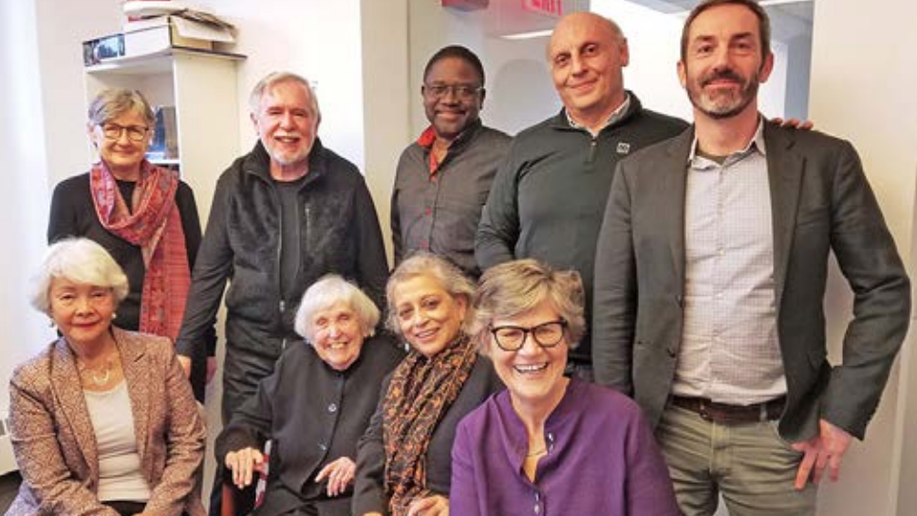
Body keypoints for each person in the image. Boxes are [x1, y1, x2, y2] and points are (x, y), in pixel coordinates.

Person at [591, 1, 911, 515]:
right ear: (683, 71)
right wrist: (617, 418)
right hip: (663, 430)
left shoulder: (822, 162)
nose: (721, 61)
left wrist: (844, 411)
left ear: (765, 64)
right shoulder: (640, 175)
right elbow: (611, 303)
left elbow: (886, 290)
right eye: (705, 47)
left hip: (779, 436)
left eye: (741, 44)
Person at [475, 12, 688, 380]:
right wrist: (524, 297)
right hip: (539, 353)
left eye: (590, 51)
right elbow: (491, 234)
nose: (577, 68)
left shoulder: (674, 139)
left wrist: (781, 139)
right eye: (563, 59)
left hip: (635, 360)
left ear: (622, 53)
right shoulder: (528, 144)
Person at [174, 71, 389, 426]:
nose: (287, 125)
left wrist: (385, 351)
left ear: (316, 122)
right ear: (256, 121)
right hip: (250, 356)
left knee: (313, 468)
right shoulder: (234, 183)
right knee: (241, 459)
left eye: (299, 113)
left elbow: (375, 274)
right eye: (275, 113)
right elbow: (208, 274)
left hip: (324, 352)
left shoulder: (346, 181)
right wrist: (186, 347)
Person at [450, 259, 678, 516]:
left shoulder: (621, 420)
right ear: (486, 342)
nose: (531, 350)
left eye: (546, 330)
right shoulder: (472, 434)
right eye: (511, 333)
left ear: (568, 335)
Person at [7, 238, 205, 516]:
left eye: (97, 294)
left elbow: (188, 442)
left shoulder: (157, 354)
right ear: (49, 308)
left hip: (155, 502)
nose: (84, 308)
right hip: (69, 509)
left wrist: (157, 511)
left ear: (113, 299)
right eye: (68, 297)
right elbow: (49, 482)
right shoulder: (32, 380)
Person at [47, 88, 213, 402]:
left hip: (176, 350)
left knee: (183, 444)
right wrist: (74, 351)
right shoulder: (70, 195)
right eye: (112, 128)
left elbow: (201, 274)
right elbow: (61, 282)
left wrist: (206, 345)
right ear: (92, 132)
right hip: (100, 350)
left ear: (149, 135)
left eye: (135, 130)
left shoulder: (178, 193)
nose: (124, 140)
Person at [215, 275, 404, 516]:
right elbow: (248, 418)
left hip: (353, 505)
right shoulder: (295, 361)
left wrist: (364, 464)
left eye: (344, 318)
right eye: (322, 323)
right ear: (309, 333)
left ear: (364, 323)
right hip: (285, 504)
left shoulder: (391, 363)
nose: (334, 332)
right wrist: (241, 446)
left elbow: (407, 440)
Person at [352, 253, 503, 516]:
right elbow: (373, 443)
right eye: (406, 312)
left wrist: (459, 505)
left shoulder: (494, 370)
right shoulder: (397, 378)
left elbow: (512, 464)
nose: (419, 320)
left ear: (460, 305)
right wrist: (369, 509)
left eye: (431, 304)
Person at [391, 45, 511, 277]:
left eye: (464, 90)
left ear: (481, 98)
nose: (449, 100)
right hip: (414, 306)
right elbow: (398, 237)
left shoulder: (507, 155)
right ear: (424, 94)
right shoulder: (409, 159)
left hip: (478, 308)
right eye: (438, 88)